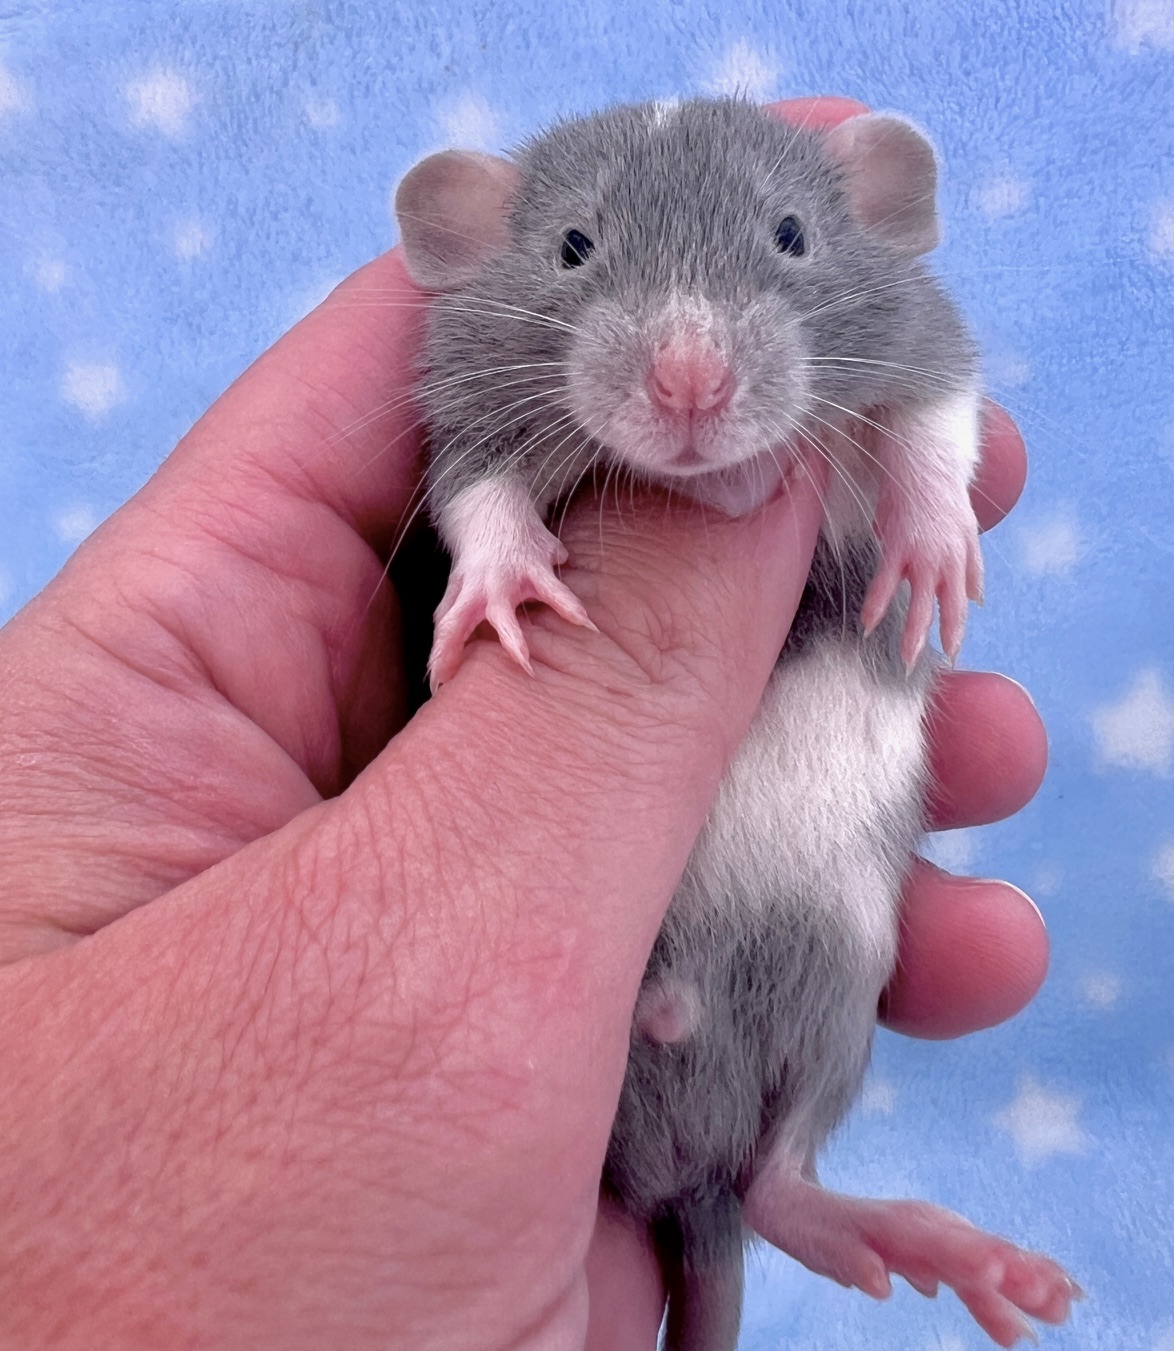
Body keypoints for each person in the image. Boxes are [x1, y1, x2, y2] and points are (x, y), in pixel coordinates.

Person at [0, 98, 1049, 1350]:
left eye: (781, 240)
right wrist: (496, 544)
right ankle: (763, 1186)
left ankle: (783, 1178)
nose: (690, 377)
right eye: (578, 252)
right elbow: (473, 470)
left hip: (812, 872)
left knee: (859, 935)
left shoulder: (887, 328)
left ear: (878, 205)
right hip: (609, 975)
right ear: (469, 237)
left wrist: (928, 499)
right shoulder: (488, 374)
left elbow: (934, 382)